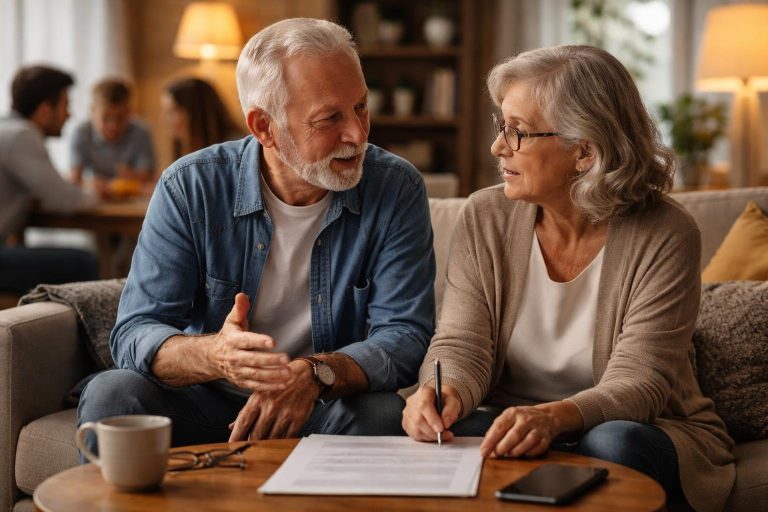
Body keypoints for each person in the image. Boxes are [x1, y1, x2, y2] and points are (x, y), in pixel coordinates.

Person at [402, 45, 734, 512]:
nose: (498, 147)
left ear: (584, 151)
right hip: (510, 418)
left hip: (643, 426)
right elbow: (461, 342)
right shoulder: (486, 215)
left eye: (517, 132)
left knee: (613, 444)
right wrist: (443, 393)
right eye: (501, 127)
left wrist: (552, 419)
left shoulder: (667, 233)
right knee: (449, 434)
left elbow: (641, 382)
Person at [78, 18, 435, 449]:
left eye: (361, 106)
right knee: (111, 396)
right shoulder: (190, 187)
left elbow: (405, 334)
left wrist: (315, 373)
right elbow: (136, 331)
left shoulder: (396, 187)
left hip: (321, 402)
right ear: (264, 127)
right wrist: (217, 356)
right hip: (207, 398)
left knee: (381, 414)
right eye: (330, 118)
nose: (357, 134)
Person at [0, 65, 99, 294]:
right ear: (45, 110)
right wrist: (99, 193)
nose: (69, 114)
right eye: (66, 105)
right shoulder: (21, 136)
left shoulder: (7, 129)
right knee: (84, 262)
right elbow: (67, 201)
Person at [69, 77, 155, 195]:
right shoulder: (81, 133)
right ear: (92, 112)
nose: (113, 126)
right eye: (105, 118)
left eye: (120, 118)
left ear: (129, 111)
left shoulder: (141, 132)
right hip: (94, 204)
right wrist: (89, 183)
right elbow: (74, 179)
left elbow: (147, 179)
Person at [161, 77, 243, 160]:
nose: (166, 120)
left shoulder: (235, 150)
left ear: (195, 111)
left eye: (173, 111)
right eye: (166, 112)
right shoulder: (186, 153)